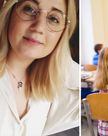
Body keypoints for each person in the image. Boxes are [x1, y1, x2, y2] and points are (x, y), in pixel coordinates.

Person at [0, 0, 78, 135]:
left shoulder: (47, 91)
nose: (39, 27)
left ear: (62, 34)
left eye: (53, 19)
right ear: (10, 12)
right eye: (29, 9)